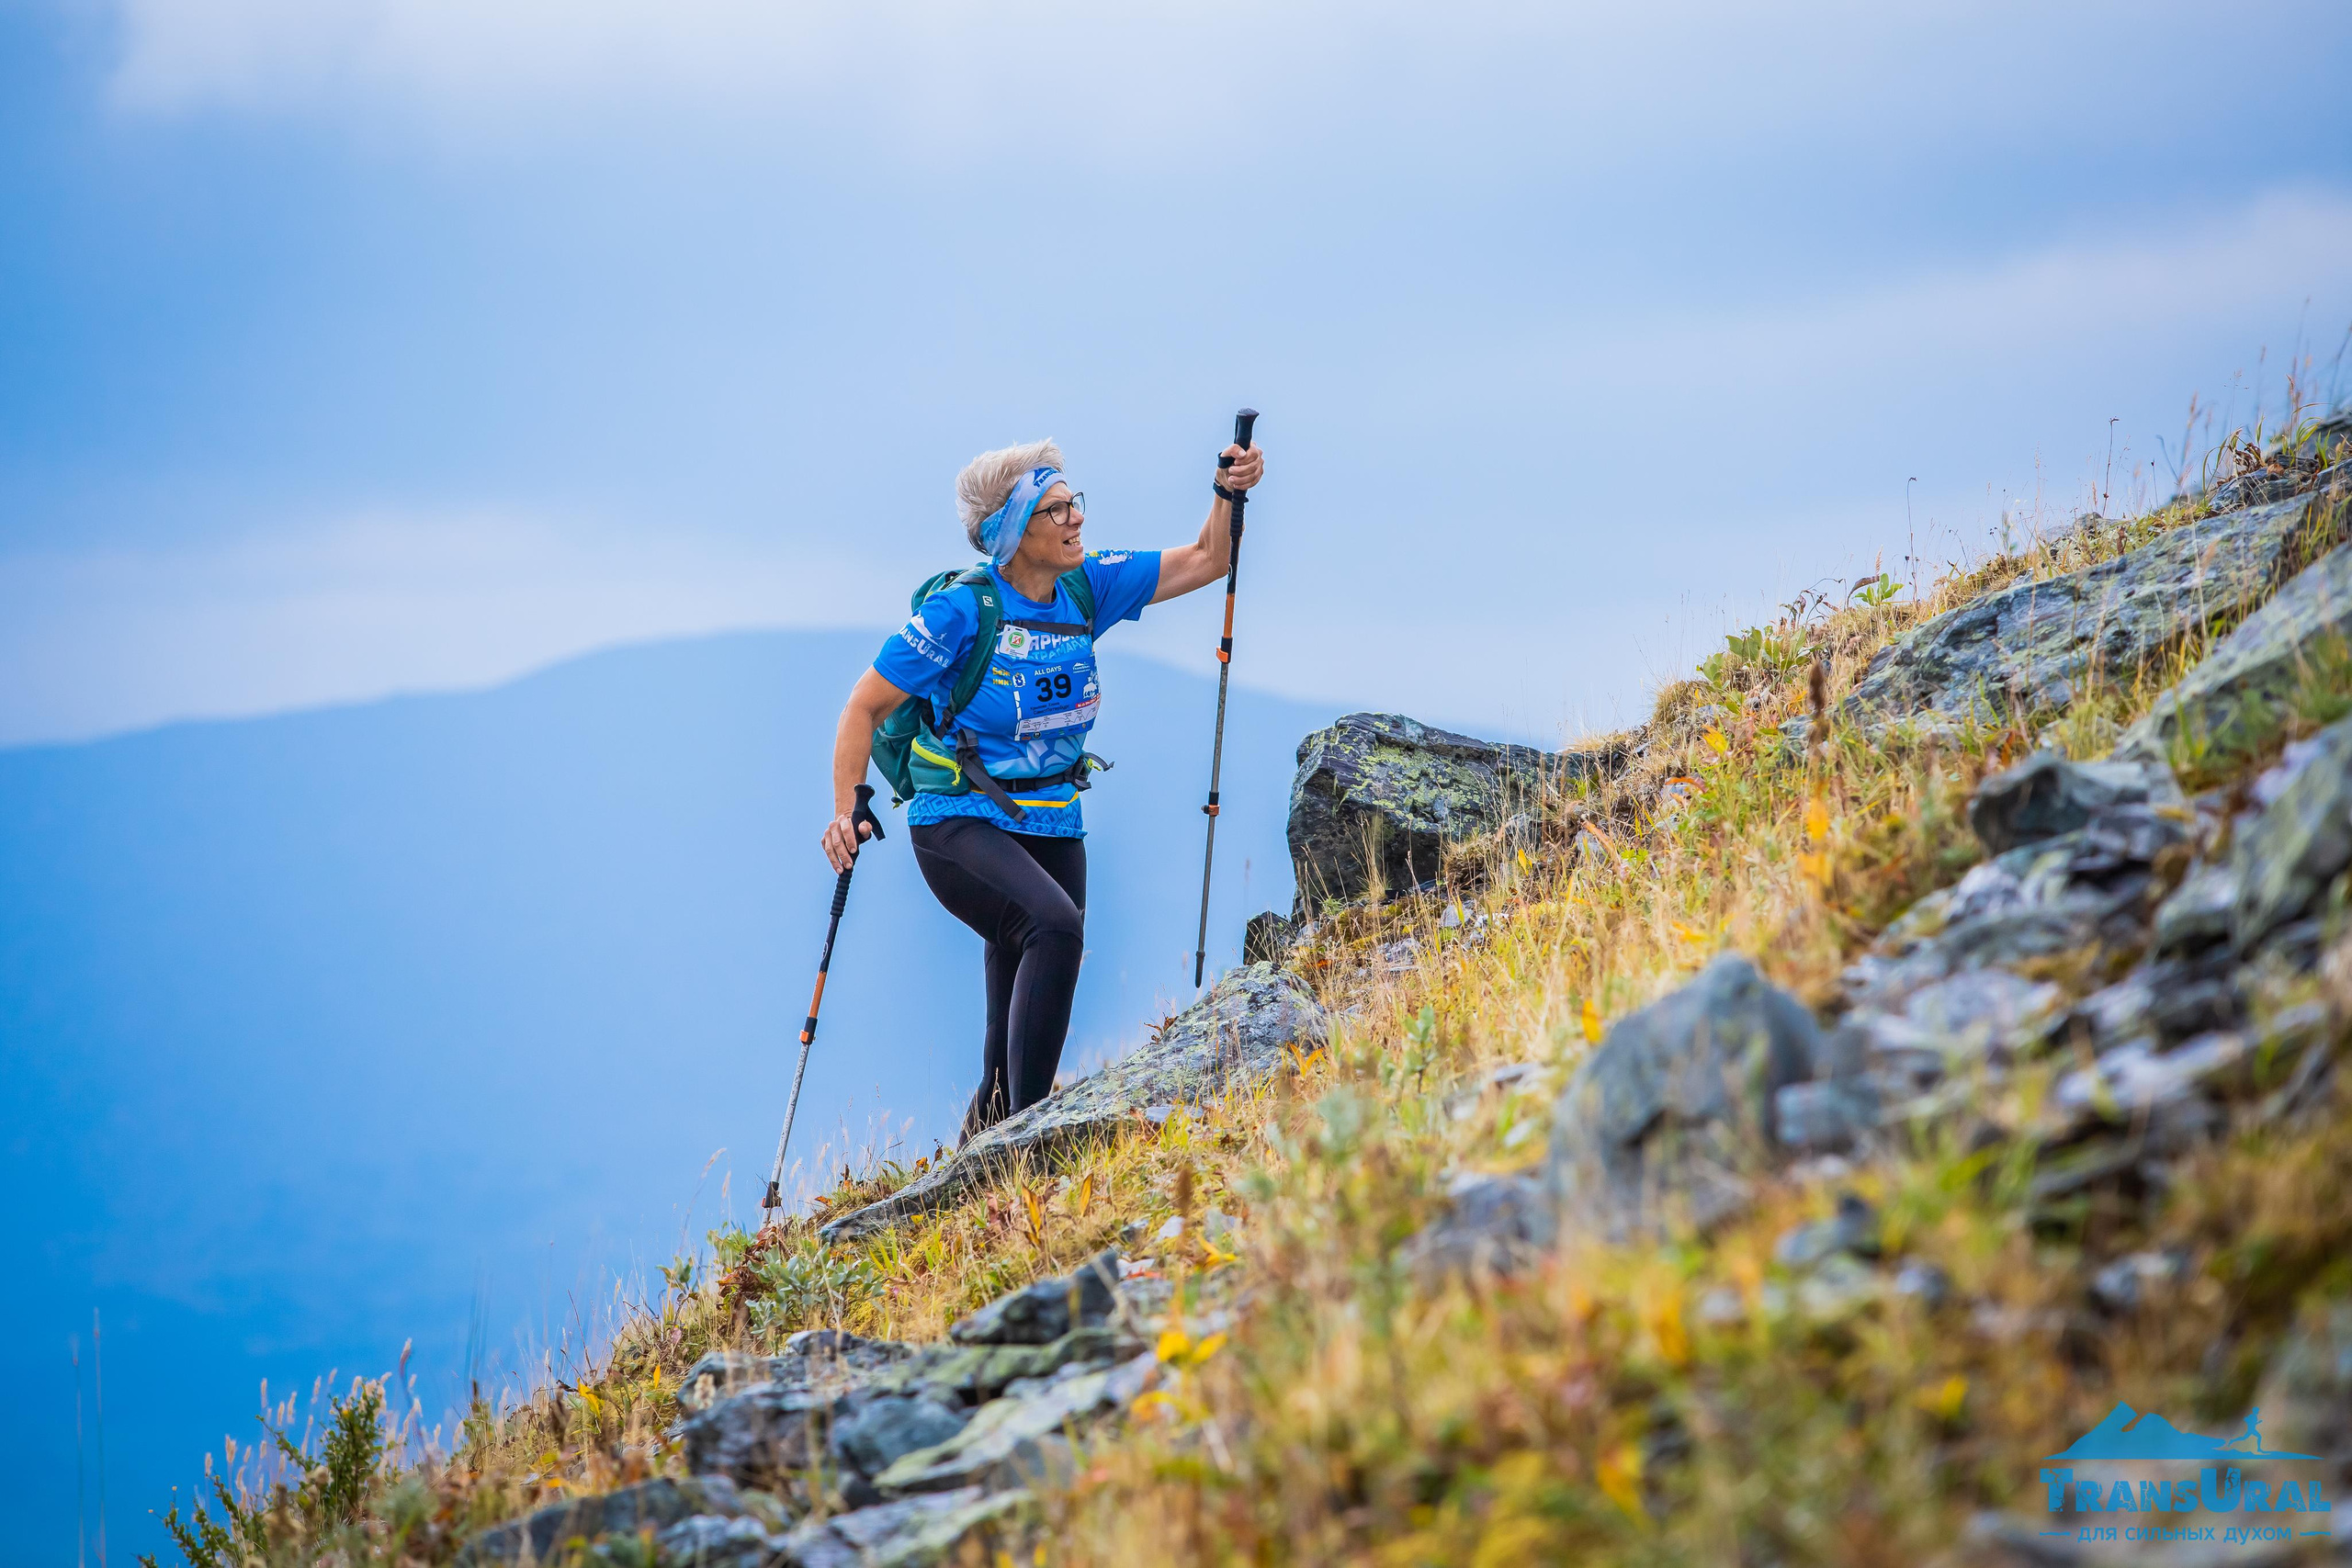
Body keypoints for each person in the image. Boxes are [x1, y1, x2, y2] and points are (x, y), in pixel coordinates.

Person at [820, 435, 1265, 1143]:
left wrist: (1228, 492)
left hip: (1055, 818)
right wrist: (848, 808)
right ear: (1010, 532)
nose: (1075, 520)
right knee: (1054, 928)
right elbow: (863, 706)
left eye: (1074, 503)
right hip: (958, 817)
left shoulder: (1087, 584)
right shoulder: (962, 611)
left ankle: (986, 1152)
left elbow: (1209, 558)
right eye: (1055, 509)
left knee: (1007, 1054)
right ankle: (1031, 1148)